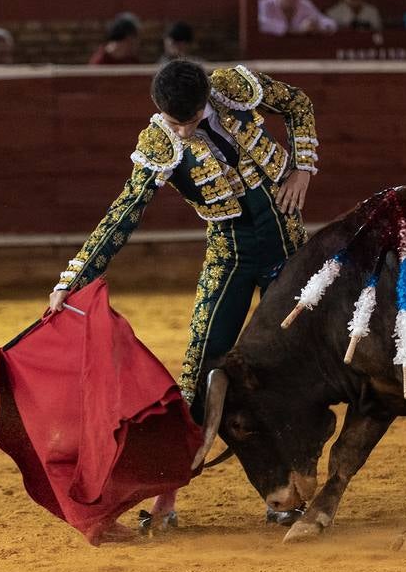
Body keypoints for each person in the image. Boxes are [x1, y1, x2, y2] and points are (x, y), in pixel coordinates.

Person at [45, 59, 320, 532]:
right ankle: (167, 500)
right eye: (177, 123)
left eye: (192, 119)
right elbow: (122, 214)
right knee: (199, 373)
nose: (186, 130)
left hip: (289, 250)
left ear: (206, 99)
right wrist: (73, 279)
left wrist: (303, 168)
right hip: (230, 254)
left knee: (298, 368)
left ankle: (291, 492)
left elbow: (298, 104)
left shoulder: (232, 86)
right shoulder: (159, 141)